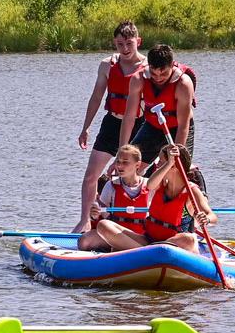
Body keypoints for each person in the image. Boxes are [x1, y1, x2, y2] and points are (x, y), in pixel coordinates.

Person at [75, 21, 147, 232]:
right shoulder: (107, 65)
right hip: (112, 122)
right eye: (119, 44)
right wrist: (85, 127)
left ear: (138, 42)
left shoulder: (147, 68)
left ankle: (128, 224)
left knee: (128, 176)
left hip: (138, 125)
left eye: (129, 44)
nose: (124, 49)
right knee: (91, 175)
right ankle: (85, 220)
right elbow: (97, 96)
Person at [82, 143, 216, 254]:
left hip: (175, 242)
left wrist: (206, 218)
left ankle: (141, 252)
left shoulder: (192, 190)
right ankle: (146, 253)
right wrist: (169, 163)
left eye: (161, 162)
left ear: (175, 166)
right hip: (149, 240)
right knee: (103, 226)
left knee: (189, 239)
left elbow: (212, 216)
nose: (157, 166)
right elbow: (150, 185)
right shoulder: (160, 184)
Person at [119, 43, 196, 160]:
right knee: (128, 161)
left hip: (178, 127)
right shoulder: (138, 79)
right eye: (153, 73)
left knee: (175, 169)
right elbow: (129, 117)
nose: (158, 78)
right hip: (153, 126)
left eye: (164, 73)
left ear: (172, 66)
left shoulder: (183, 84)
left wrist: (176, 154)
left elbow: (183, 126)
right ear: (148, 66)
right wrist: (122, 150)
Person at [76, 144, 150, 251]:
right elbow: (102, 216)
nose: (120, 166)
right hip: (115, 234)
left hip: (141, 236)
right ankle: (139, 251)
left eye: (125, 162)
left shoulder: (149, 185)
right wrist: (94, 215)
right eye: (118, 162)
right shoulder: (111, 186)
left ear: (137, 165)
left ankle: (136, 250)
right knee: (84, 241)